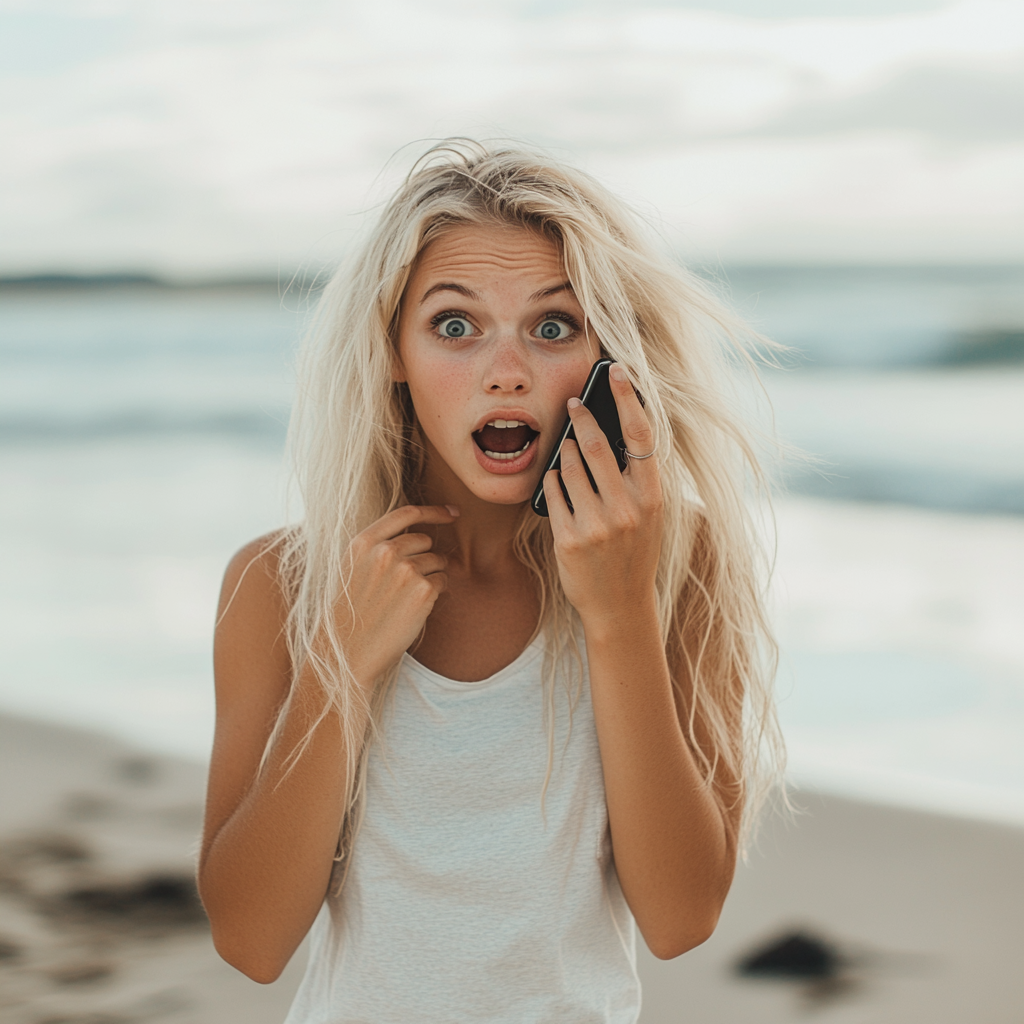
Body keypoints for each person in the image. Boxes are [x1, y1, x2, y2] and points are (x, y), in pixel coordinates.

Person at [197, 140, 783, 1024]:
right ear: (392, 350)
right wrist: (340, 664)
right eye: (455, 325)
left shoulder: (674, 566)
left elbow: (680, 918)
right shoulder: (281, 584)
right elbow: (251, 941)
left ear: (605, 358)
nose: (504, 369)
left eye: (552, 328)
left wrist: (619, 616)